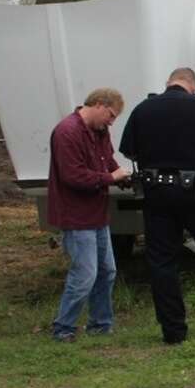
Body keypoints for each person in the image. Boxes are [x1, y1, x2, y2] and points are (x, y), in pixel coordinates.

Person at [120, 68, 195, 344]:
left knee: (161, 260)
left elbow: (128, 150)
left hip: (156, 192)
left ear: (168, 83)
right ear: (192, 86)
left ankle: (173, 332)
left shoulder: (143, 108)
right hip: (194, 191)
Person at [48, 88, 131, 342]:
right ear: (98, 104)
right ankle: (63, 328)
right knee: (85, 275)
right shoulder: (67, 132)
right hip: (75, 215)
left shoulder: (99, 131)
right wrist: (110, 178)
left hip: (97, 213)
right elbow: (72, 177)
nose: (112, 121)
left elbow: (108, 160)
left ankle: (100, 324)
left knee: (107, 271)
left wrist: (122, 176)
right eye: (111, 115)